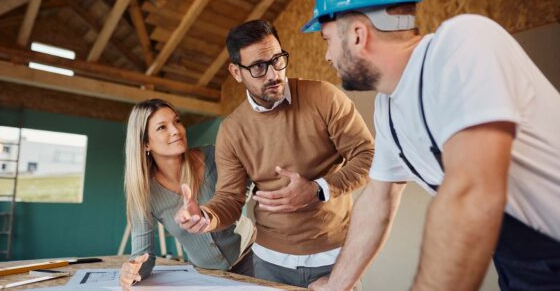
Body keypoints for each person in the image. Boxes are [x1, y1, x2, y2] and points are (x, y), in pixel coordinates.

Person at [300, 0, 560, 290]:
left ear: (358, 35)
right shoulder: (388, 108)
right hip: (524, 269)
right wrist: (336, 286)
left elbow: (471, 193)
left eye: (327, 40)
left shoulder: (464, 44)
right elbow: (378, 202)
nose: (327, 56)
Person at [174, 20, 375, 288]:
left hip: (335, 257)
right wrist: (206, 216)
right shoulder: (232, 130)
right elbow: (231, 198)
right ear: (236, 72)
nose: (273, 74)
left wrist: (318, 189)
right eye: (258, 67)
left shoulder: (325, 97)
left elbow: (368, 156)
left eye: (278, 60)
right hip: (269, 264)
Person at [119, 99, 256, 290]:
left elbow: (248, 184)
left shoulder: (213, 156)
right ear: (145, 144)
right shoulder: (144, 194)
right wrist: (133, 270)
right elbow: (143, 256)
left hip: (252, 256)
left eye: (177, 121)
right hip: (206, 276)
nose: (176, 130)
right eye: (162, 128)